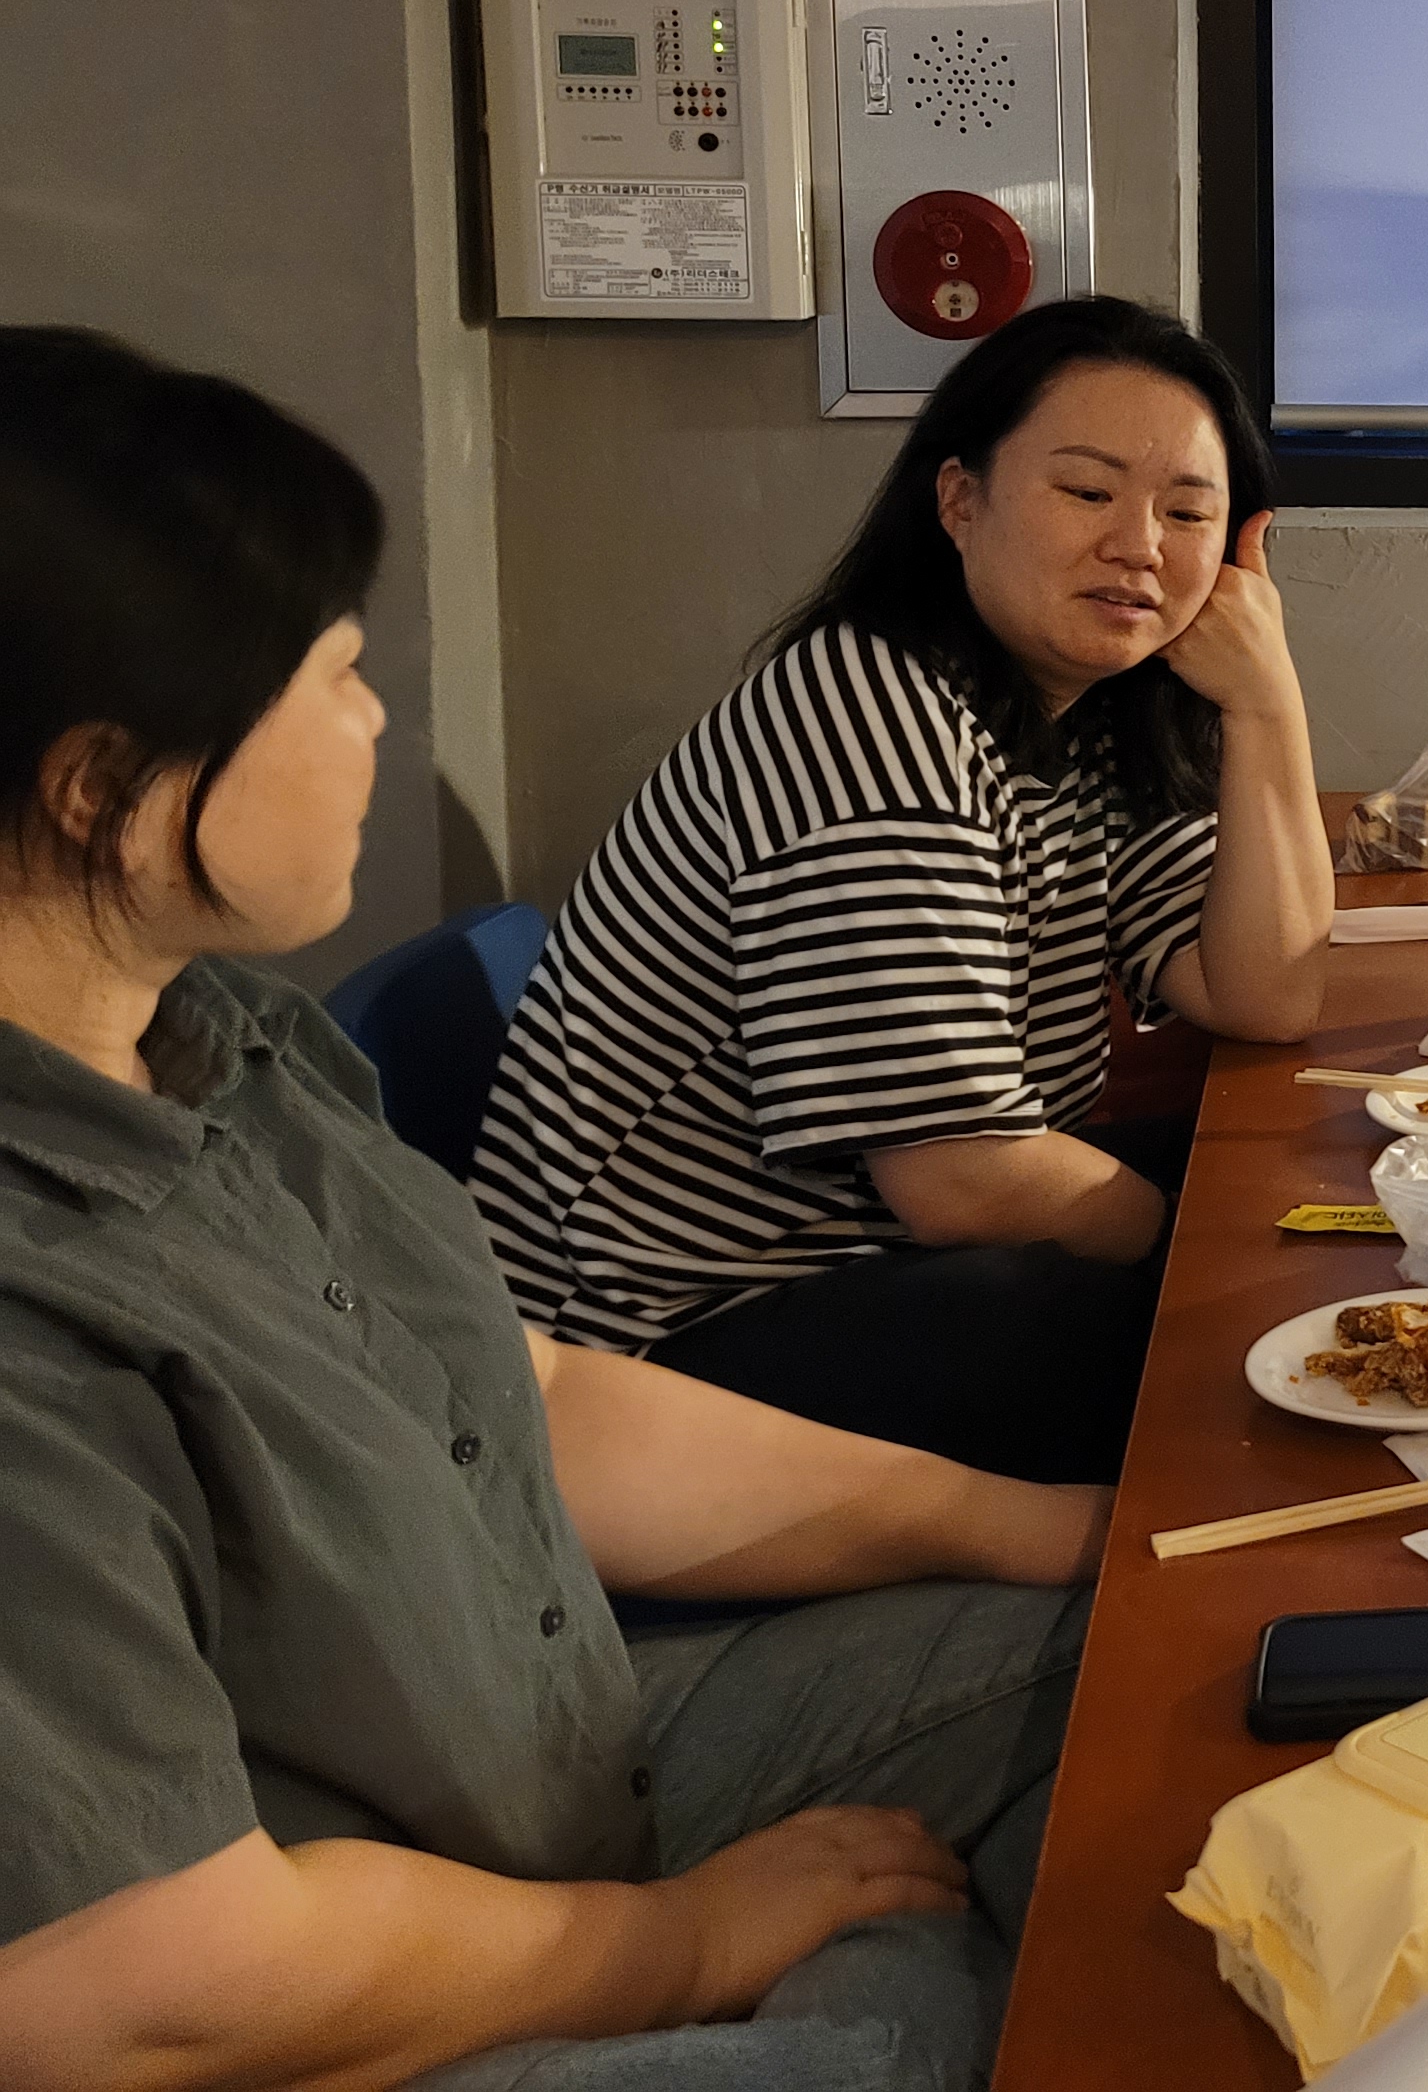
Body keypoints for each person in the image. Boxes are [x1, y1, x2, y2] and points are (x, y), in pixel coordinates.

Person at [0, 329, 1106, 2091]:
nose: (376, 718)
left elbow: (533, 1405)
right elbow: (155, 1985)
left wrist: (1034, 1527)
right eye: (334, 671)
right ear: (101, 789)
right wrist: (684, 1944)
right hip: (337, 1989)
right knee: (931, 2016)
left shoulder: (224, 1042)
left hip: (559, 1759)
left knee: (1154, 1685)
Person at [468, 299, 1336, 1483]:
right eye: (1087, 491)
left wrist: (1268, 699)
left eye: (1188, 513)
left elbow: (1265, 992)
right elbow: (961, 1178)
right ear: (960, 501)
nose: (1140, 544)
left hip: (867, 1245)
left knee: (1300, 1168)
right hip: (653, 1346)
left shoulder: (1083, 711)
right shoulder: (867, 724)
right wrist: (1199, 1245)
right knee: (1241, 1333)